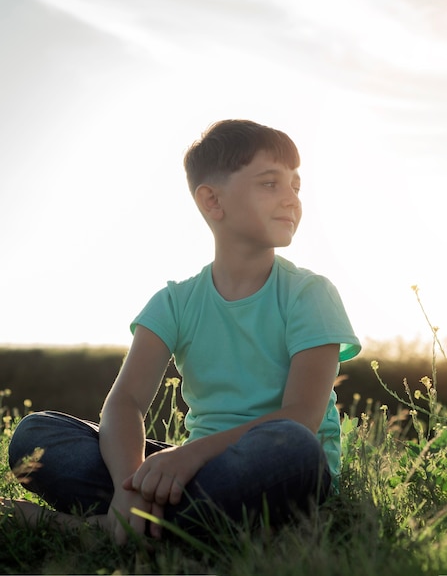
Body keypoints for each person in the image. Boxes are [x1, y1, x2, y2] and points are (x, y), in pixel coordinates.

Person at [7, 119, 361, 544]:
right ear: (212, 200)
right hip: (198, 474)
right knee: (36, 434)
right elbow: (126, 401)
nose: (291, 198)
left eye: (296, 185)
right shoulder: (175, 303)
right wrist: (128, 484)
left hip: (278, 467)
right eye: (270, 183)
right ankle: (147, 515)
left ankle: (94, 529)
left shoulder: (310, 294)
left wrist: (188, 455)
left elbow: (301, 417)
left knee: (292, 446)